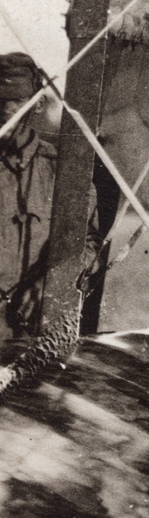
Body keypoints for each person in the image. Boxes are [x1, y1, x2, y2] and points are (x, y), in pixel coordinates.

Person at [0, 52, 54, 338]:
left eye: (17, 100)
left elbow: (86, 241)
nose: (6, 111)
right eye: (0, 100)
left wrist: (47, 285)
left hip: (35, 329)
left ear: (38, 103)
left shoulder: (60, 170)